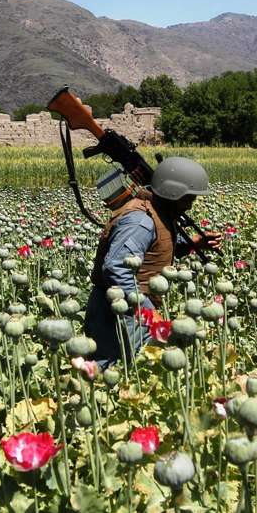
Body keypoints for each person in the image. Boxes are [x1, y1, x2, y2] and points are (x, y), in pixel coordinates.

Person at [84, 156, 221, 370]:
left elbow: (153, 246)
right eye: (189, 198)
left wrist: (193, 244)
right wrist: (147, 312)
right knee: (111, 372)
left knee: (137, 371)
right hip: (119, 312)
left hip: (133, 307)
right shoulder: (140, 221)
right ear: (173, 193)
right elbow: (116, 269)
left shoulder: (156, 211)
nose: (191, 204)